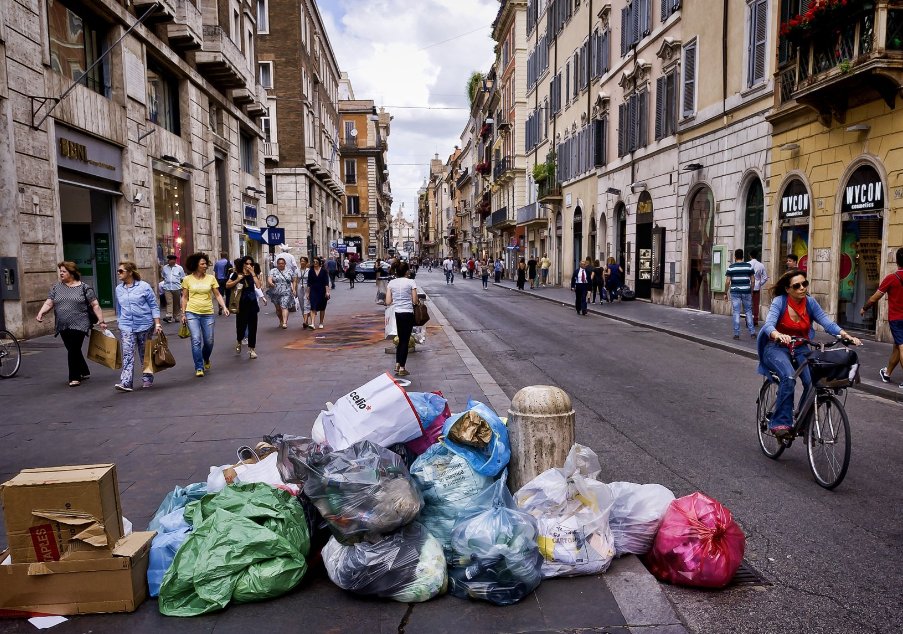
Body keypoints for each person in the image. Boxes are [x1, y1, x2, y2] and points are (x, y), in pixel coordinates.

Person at [756, 269, 860, 437]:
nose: (802, 288)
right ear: (788, 289)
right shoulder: (779, 302)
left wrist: (846, 336)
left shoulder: (810, 303)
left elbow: (827, 322)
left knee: (814, 383)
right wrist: (778, 335)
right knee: (789, 377)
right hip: (776, 347)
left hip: (801, 347)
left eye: (805, 283)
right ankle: (781, 423)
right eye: (797, 286)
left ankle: (803, 422)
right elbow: (768, 325)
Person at [35, 261, 107, 387]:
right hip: (62, 324)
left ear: (72, 273)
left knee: (73, 348)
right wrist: (41, 312)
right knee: (72, 349)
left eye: (64, 271)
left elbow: (95, 305)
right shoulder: (56, 288)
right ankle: (84, 370)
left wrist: (101, 321)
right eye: (60, 271)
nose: (61, 273)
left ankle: (74, 377)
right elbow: (49, 302)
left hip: (80, 323)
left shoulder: (84, 287)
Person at [113, 262, 162, 391]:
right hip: (126, 325)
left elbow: (153, 305)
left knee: (144, 353)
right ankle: (126, 382)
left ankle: (147, 378)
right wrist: (120, 321)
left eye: (121, 271)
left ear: (130, 272)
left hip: (145, 324)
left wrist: (157, 323)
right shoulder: (118, 289)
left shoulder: (144, 287)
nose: (118, 273)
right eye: (118, 271)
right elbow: (119, 307)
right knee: (127, 353)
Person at [181, 252, 229, 377]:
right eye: (202, 264)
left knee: (209, 341)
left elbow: (217, 294)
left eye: (205, 263)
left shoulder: (211, 278)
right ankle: (199, 366)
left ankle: (205, 357)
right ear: (195, 265)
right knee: (196, 340)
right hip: (192, 313)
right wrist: (183, 313)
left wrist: (224, 307)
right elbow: (185, 297)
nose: (205, 266)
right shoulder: (187, 279)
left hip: (208, 313)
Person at [861, 247, 903, 387]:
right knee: (897, 347)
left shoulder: (891, 278)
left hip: (896, 319)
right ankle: (887, 373)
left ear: (896, 261)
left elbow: (875, 297)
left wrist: (864, 308)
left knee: (901, 347)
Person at [386, 260, 419, 377]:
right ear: (406, 271)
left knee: (400, 338)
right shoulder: (411, 282)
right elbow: (415, 301)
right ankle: (402, 367)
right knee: (405, 340)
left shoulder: (391, 283)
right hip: (408, 313)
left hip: (397, 313)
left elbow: (388, 301)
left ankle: (397, 363)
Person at [227, 256, 261, 359]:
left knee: (253, 327)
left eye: (251, 264)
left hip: (252, 304)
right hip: (241, 304)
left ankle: (252, 349)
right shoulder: (236, 274)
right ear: (243, 264)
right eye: (247, 263)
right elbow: (227, 285)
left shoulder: (253, 275)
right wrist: (237, 279)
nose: (249, 266)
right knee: (241, 326)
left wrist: (253, 273)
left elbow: (259, 286)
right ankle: (239, 340)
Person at [725, 248, 756, 340]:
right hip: (746, 291)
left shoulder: (731, 267)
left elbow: (727, 282)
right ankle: (752, 332)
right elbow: (753, 280)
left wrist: (725, 292)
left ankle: (736, 334)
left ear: (735, 257)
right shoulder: (748, 266)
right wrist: (751, 290)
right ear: (743, 256)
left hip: (735, 292)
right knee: (748, 312)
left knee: (736, 312)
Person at [268, 256, 297, 329]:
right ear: (277, 264)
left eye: (282, 263)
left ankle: (284, 322)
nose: (281, 265)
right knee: (278, 309)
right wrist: (271, 283)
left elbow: (294, 280)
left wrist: (294, 289)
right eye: (279, 263)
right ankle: (281, 320)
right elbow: (269, 278)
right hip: (275, 292)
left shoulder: (289, 271)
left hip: (286, 291)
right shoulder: (273, 270)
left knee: (284, 306)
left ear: (285, 264)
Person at [307, 256, 331, 329]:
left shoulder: (324, 271)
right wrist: (307, 293)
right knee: (313, 306)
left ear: (319, 262)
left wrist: (327, 292)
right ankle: (312, 323)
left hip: (322, 290)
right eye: (314, 262)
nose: (315, 263)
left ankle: (321, 322)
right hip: (313, 290)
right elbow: (309, 283)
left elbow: (326, 283)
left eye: (316, 262)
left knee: (322, 307)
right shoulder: (311, 271)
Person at [161, 254, 185, 322]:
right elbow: (163, 276)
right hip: (167, 288)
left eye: (172, 260)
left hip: (177, 288)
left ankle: (176, 316)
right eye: (169, 260)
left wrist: (182, 288)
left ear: (174, 261)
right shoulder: (165, 268)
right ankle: (169, 316)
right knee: (169, 302)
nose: (170, 261)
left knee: (176, 303)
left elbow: (182, 278)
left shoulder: (179, 268)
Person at [748, 248, 768, 327]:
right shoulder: (761, 265)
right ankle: (755, 320)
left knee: (748, 304)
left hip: (748, 287)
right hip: (756, 287)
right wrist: (760, 283)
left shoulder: (747, 264)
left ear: (750, 256)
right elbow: (765, 277)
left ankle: (748, 320)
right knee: (756, 305)